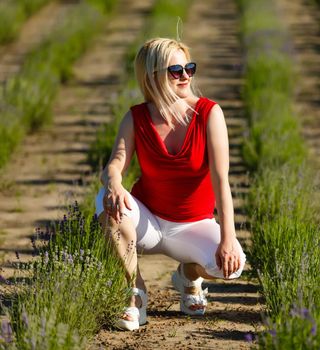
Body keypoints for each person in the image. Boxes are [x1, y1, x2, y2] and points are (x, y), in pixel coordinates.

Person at [95, 37, 246, 331]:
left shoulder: (209, 114)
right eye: (175, 71)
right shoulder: (136, 117)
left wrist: (228, 238)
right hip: (148, 221)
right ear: (152, 77)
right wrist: (113, 182)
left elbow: (221, 181)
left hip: (192, 224)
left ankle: (188, 275)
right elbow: (116, 162)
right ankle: (135, 295)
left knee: (233, 266)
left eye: (189, 67)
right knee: (106, 200)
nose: (186, 76)